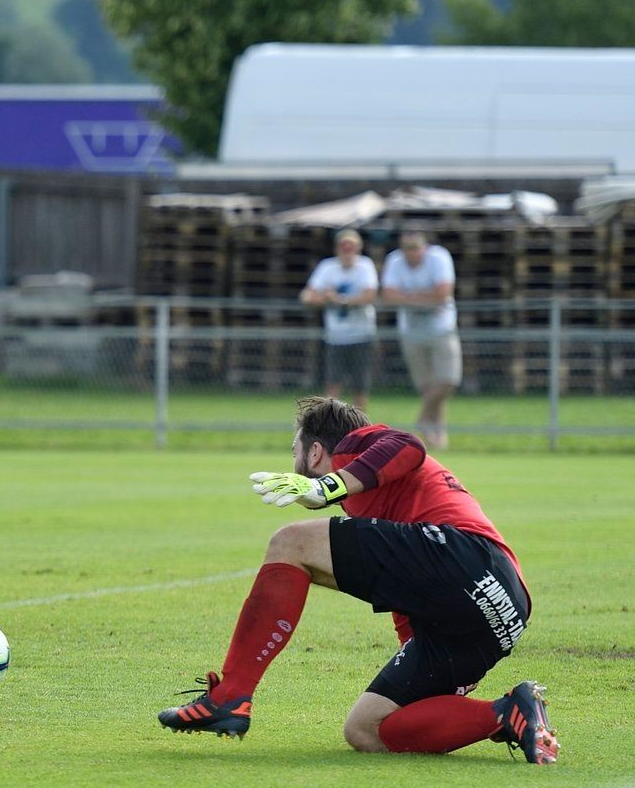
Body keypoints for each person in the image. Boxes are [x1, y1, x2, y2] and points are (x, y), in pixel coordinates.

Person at [157, 396, 559, 765]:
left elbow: (409, 445)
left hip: (466, 557)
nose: (294, 460)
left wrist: (325, 485)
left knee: (290, 542)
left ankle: (229, 697)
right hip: (501, 607)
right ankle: (509, 713)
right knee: (368, 729)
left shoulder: (355, 446)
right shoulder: (373, 504)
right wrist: (420, 671)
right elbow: (407, 587)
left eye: (294, 451)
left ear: (316, 452)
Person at [380, 230, 461, 450]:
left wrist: (408, 299)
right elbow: (388, 295)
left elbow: (442, 293)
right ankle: (437, 438)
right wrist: (424, 298)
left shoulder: (439, 257)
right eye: (407, 247)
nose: (411, 252)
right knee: (427, 387)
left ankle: (420, 420)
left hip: (442, 327)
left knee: (447, 380)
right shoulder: (394, 261)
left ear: (424, 247)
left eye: (415, 247)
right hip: (411, 330)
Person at [299, 229, 378, 409]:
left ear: (358, 248)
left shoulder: (365, 266)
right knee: (333, 385)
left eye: (351, 247)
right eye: (343, 247)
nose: (347, 251)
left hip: (362, 335)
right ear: (337, 248)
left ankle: (360, 430)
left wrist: (340, 300)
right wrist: (326, 298)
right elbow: (306, 296)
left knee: (360, 387)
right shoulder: (327, 267)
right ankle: (333, 427)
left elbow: (369, 296)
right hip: (335, 336)